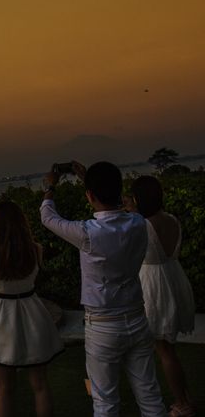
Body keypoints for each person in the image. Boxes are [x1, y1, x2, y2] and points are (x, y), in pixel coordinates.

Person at [41, 161, 165, 417]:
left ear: (89, 195)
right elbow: (124, 207)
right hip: (137, 318)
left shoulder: (88, 233)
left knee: (105, 404)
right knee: (151, 397)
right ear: (120, 192)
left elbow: (48, 216)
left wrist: (50, 187)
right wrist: (90, 180)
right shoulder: (139, 223)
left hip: (103, 325)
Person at [0, 201, 63, 417]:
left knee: (5, 388)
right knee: (40, 385)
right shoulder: (35, 249)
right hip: (32, 312)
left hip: (3, 316)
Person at [131, 176, 196, 417]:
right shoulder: (172, 219)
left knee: (164, 350)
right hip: (174, 277)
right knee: (169, 348)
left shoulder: (142, 224)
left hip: (154, 284)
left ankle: (182, 403)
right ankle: (186, 397)